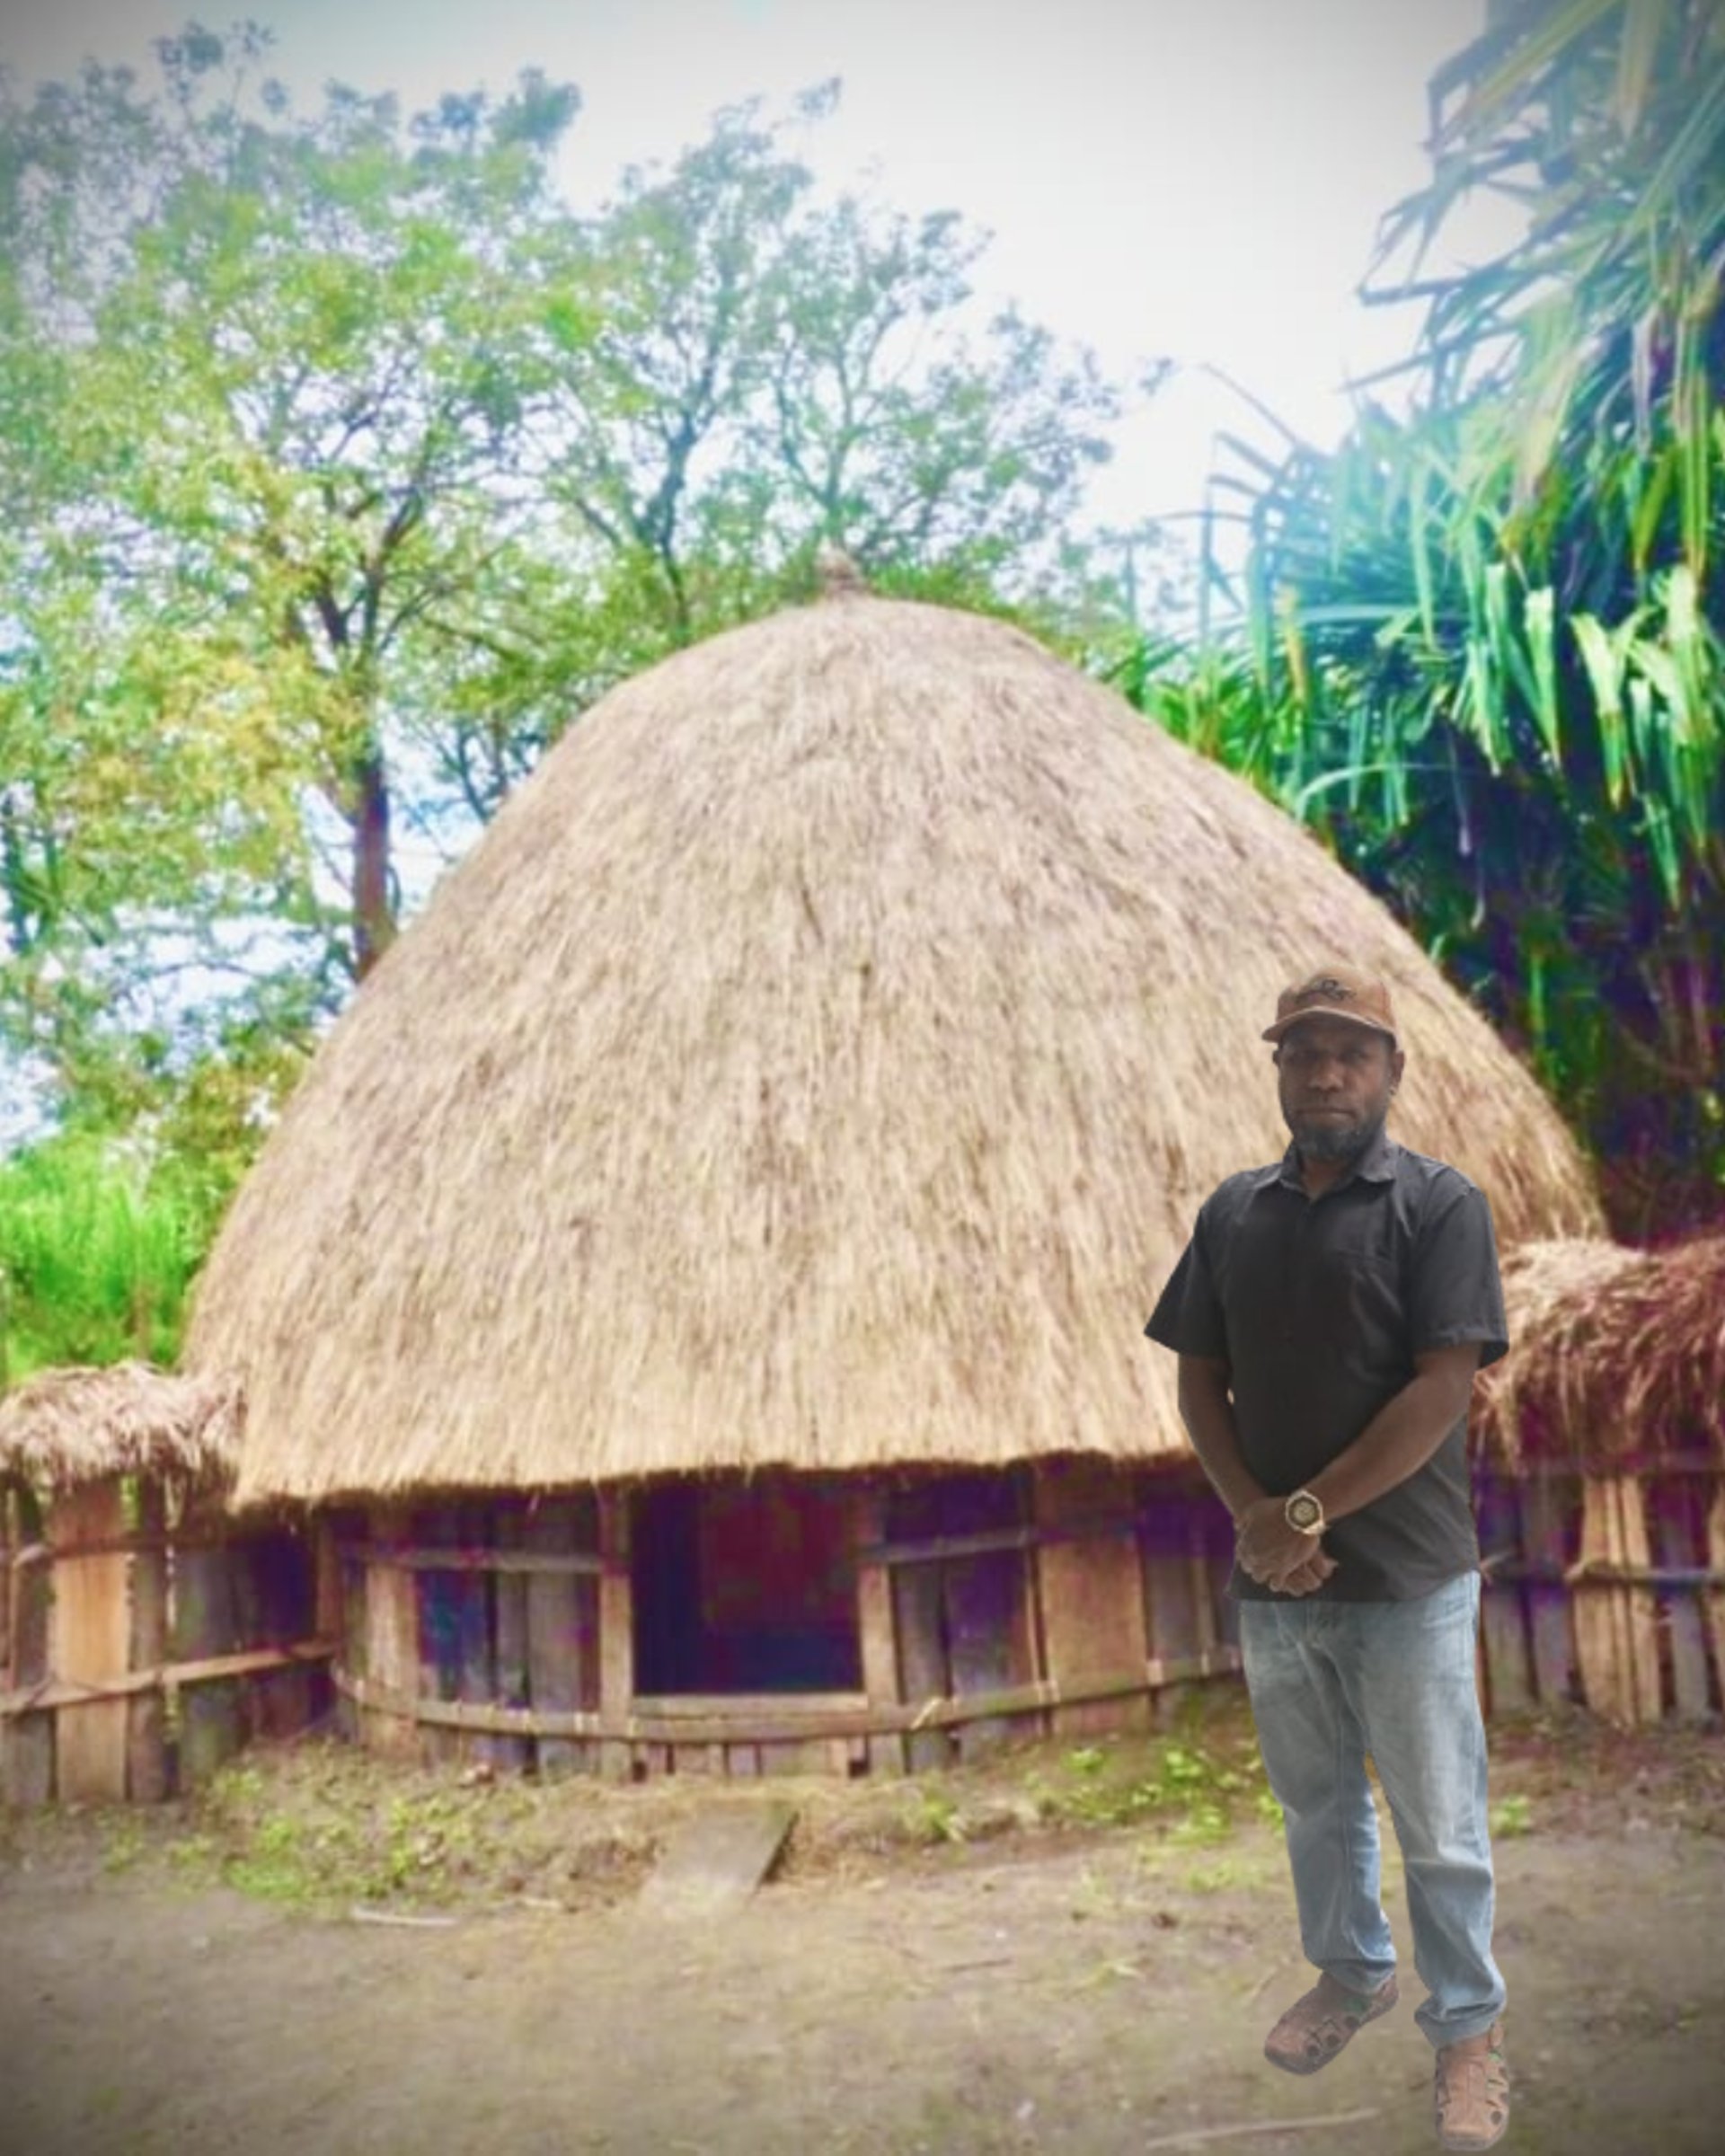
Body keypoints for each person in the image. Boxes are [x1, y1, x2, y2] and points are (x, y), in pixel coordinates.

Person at [1143, 964, 1512, 2153]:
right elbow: (1200, 1374)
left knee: (1439, 1820)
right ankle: (1353, 1977)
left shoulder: (1438, 1206)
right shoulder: (1232, 1214)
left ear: (1394, 1072)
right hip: (1276, 1590)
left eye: (1352, 1053)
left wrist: (1297, 1515)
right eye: (1305, 1052)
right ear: (1280, 1070)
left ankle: (1467, 2030)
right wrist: (1255, 1513)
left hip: (1405, 1579)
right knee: (1316, 1806)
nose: (1328, 1072)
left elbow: (1441, 1389)